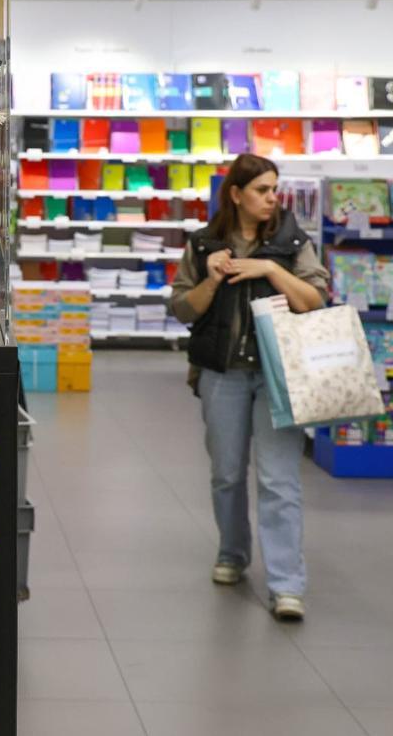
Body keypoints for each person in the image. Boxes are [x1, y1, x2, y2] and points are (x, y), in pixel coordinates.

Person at [169, 153, 330, 622]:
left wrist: (271, 271)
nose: (271, 198)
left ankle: (286, 585)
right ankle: (232, 553)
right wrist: (215, 279)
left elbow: (314, 301)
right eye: (261, 190)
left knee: (279, 479)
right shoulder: (204, 246)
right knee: (227, 472)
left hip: (279, 375)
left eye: (274, 189)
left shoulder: (292, 241)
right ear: (236, 195)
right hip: (222, 372)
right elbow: (183, 308)